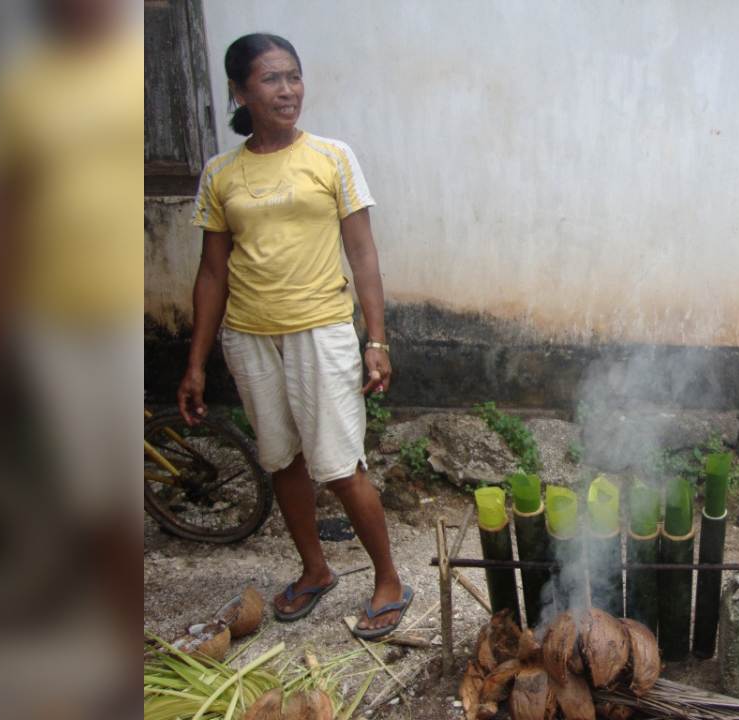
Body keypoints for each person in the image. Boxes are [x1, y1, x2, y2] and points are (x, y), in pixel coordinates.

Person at [177, 33, 407, 639]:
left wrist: (376, 339)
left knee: (340, 465)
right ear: (239, 92)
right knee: (281, 459)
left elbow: (363, 254)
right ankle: (315, 570)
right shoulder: (220, 173)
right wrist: (196, 363)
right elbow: (211, 272)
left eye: (294, 77)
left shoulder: (332, 157)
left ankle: (388, 579)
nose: (288, 90)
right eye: (272, 79)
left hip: (321, 331)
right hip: (249, 338)